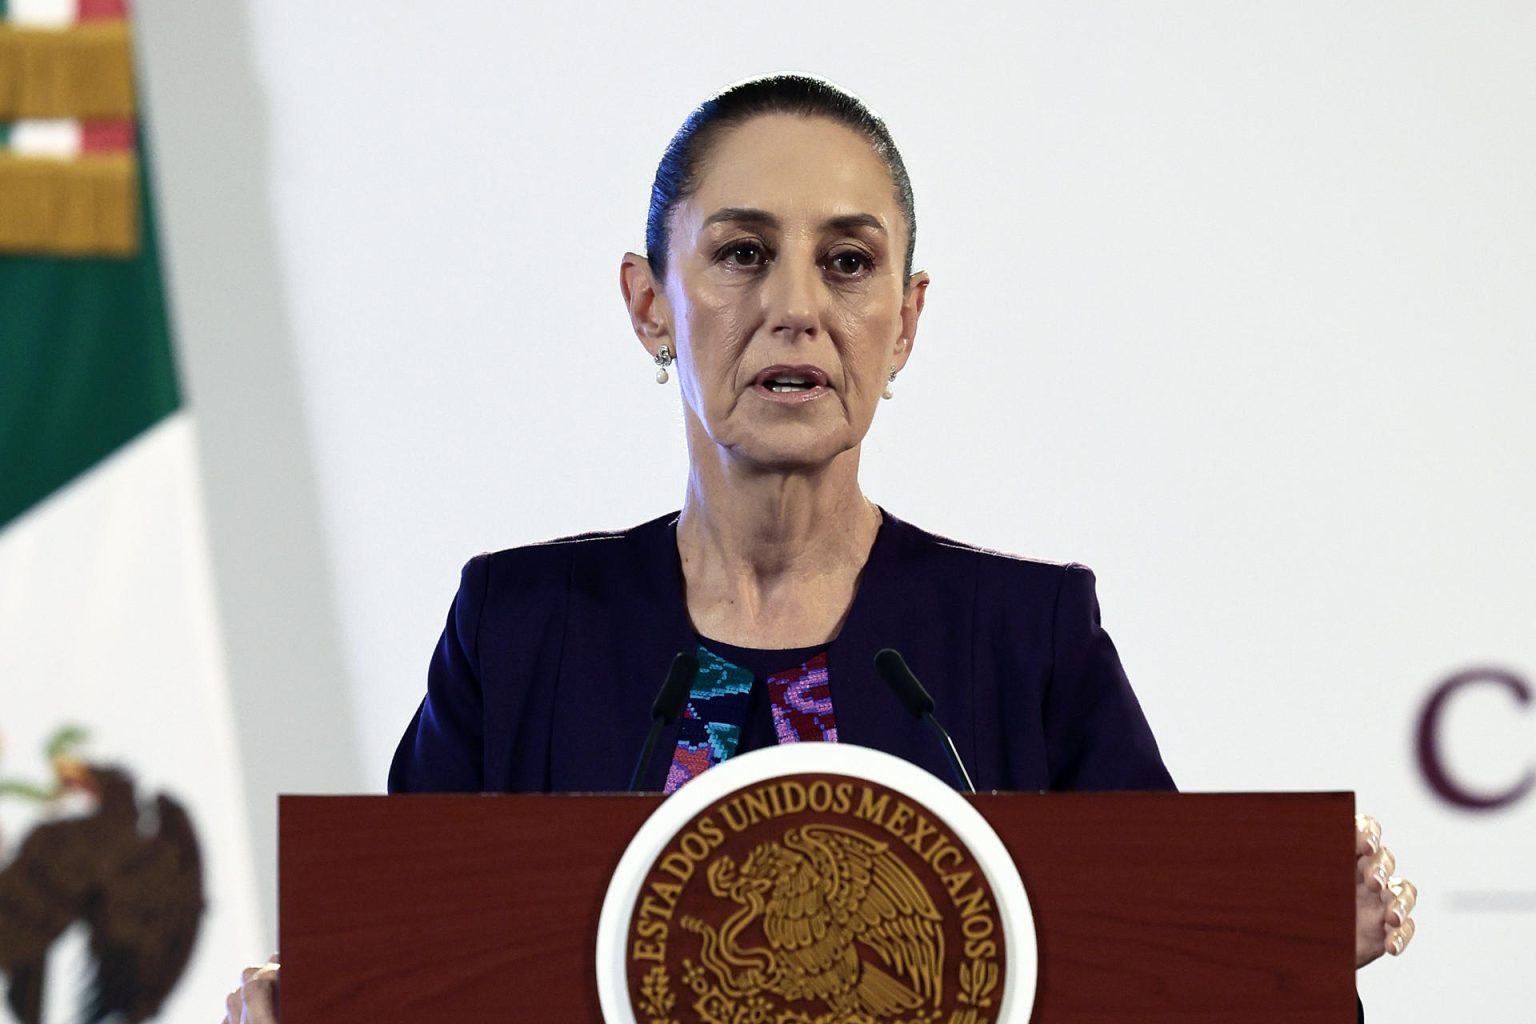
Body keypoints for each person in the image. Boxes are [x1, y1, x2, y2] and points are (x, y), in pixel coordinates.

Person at [224, 74, 1414, 1023]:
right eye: (742, 253)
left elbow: (1172, 980)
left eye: (848, 262)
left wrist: (1302, 955)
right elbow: (409, 973)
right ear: (649, 304)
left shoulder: (1026, 637)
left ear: (906, 318)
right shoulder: (521, 625)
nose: (796, 306)